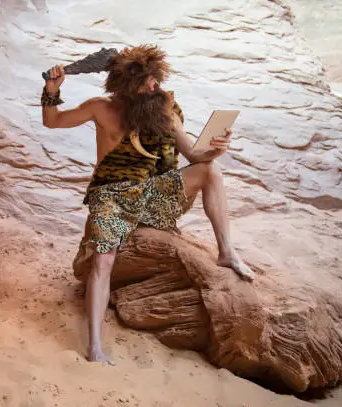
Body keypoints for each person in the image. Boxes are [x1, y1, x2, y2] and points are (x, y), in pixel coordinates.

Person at [40, 45, 254, 364]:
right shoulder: (100, 107)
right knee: (103, 261)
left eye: (156, 78)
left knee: (211, 171)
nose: (155, 85)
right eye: (148, 80)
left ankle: (227, 252)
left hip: (151, 192)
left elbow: (195, 156)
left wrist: (215, 149)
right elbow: (52, 122)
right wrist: (51, 91)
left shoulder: (162, 106)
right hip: (111, 196)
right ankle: (95, 348)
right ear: (128, 85)